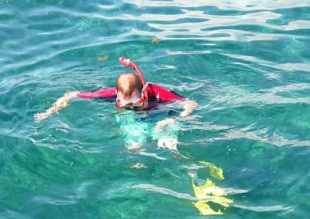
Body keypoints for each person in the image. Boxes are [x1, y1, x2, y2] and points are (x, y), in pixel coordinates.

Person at [34, 56, 197, 150]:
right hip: (135, 122)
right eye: (123, 101)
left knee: (168, 143)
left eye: (133, 101)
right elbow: (71, 95)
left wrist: (176, 118)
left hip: (162, 117)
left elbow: (191, 104)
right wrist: (50, 111)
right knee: (134, 146)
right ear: (117, 95)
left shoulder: (155, 92)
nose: (128, 105)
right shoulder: (112, 94)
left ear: (142, 93)